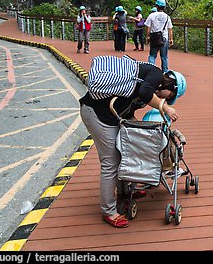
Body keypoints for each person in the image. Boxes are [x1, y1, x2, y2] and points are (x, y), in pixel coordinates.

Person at [79, 54, 187, 228]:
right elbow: (145, 93)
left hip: (109, 116)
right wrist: (165, 108)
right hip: (97, 115)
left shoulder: (142, 88)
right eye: (170, 95)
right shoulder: (155, 73)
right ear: (171, 86)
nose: (166, 99)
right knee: (110, 162)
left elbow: (127, 109)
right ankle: (109, 211)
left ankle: (124, 192)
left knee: (123, 152)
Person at [145, 0, 173, 72]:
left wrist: (147, 37)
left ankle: (151, 70)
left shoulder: (151, 15)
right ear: (164, 7)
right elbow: (170, 28)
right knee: (164, 57)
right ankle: (165, 72)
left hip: (154, 38)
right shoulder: (167, 17)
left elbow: (148, 27)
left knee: (152, 56)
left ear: (156, 6)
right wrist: (171, 39)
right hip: (164, 38)